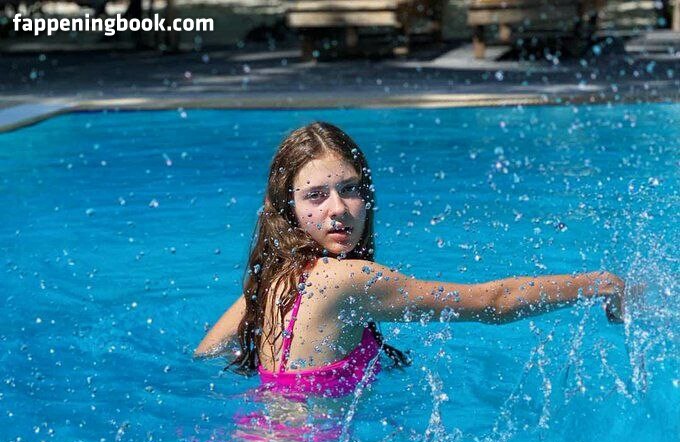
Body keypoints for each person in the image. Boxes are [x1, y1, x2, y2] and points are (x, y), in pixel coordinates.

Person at [194, 121, 625, 401]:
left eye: (350, 189)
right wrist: (599, 283)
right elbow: (494, 302)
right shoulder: (348, 279)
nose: (338, 209)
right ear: (288, 208)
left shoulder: (272, 281)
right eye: (316, 196)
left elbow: (207, 353)